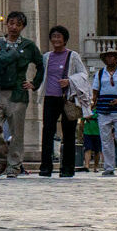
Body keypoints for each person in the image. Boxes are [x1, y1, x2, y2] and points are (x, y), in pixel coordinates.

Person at [0, 11, 42, 178]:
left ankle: (14, 166)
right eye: (11, 23)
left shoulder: (28, 46)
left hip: (17, 94)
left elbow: (40, 64)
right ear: (6, 24)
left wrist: (34, 83)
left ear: (22, 27)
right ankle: (2, 159)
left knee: (17, 133)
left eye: (18, 24)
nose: (14, 27)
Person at [36, 25, 86, 178]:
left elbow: (83, 74)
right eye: (54, 36)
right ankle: (46, 166)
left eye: (59, 37)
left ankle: (68, 167)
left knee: (69, 133)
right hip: (50, 97)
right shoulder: (47, 57)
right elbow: (41, 74)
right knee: (47, 131)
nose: (56, 39)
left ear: (65, 39)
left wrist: (69, 80)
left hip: (67, 99)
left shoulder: (73, 56)